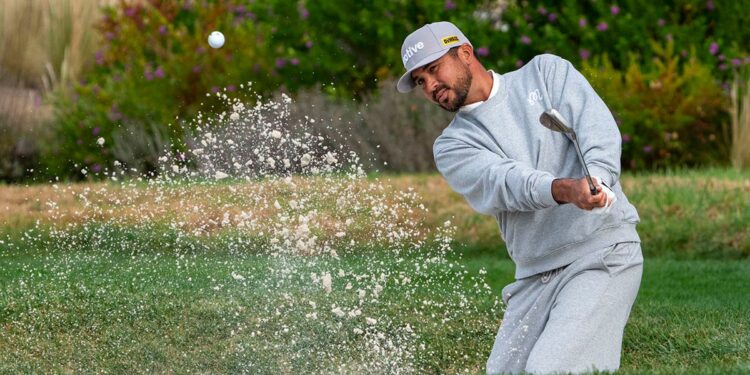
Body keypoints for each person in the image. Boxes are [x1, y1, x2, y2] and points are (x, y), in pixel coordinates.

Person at [396, 21, 644, 374]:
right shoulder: (451, 146)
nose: (431, 86)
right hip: (534, 277)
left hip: (602, 252)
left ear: (465, 53)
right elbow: (505, 183)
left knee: (549, 369)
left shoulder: (546, 73)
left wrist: (597, 179)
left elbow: (596, 128)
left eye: (434, 70)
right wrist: (564, 189)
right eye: (421, 81)